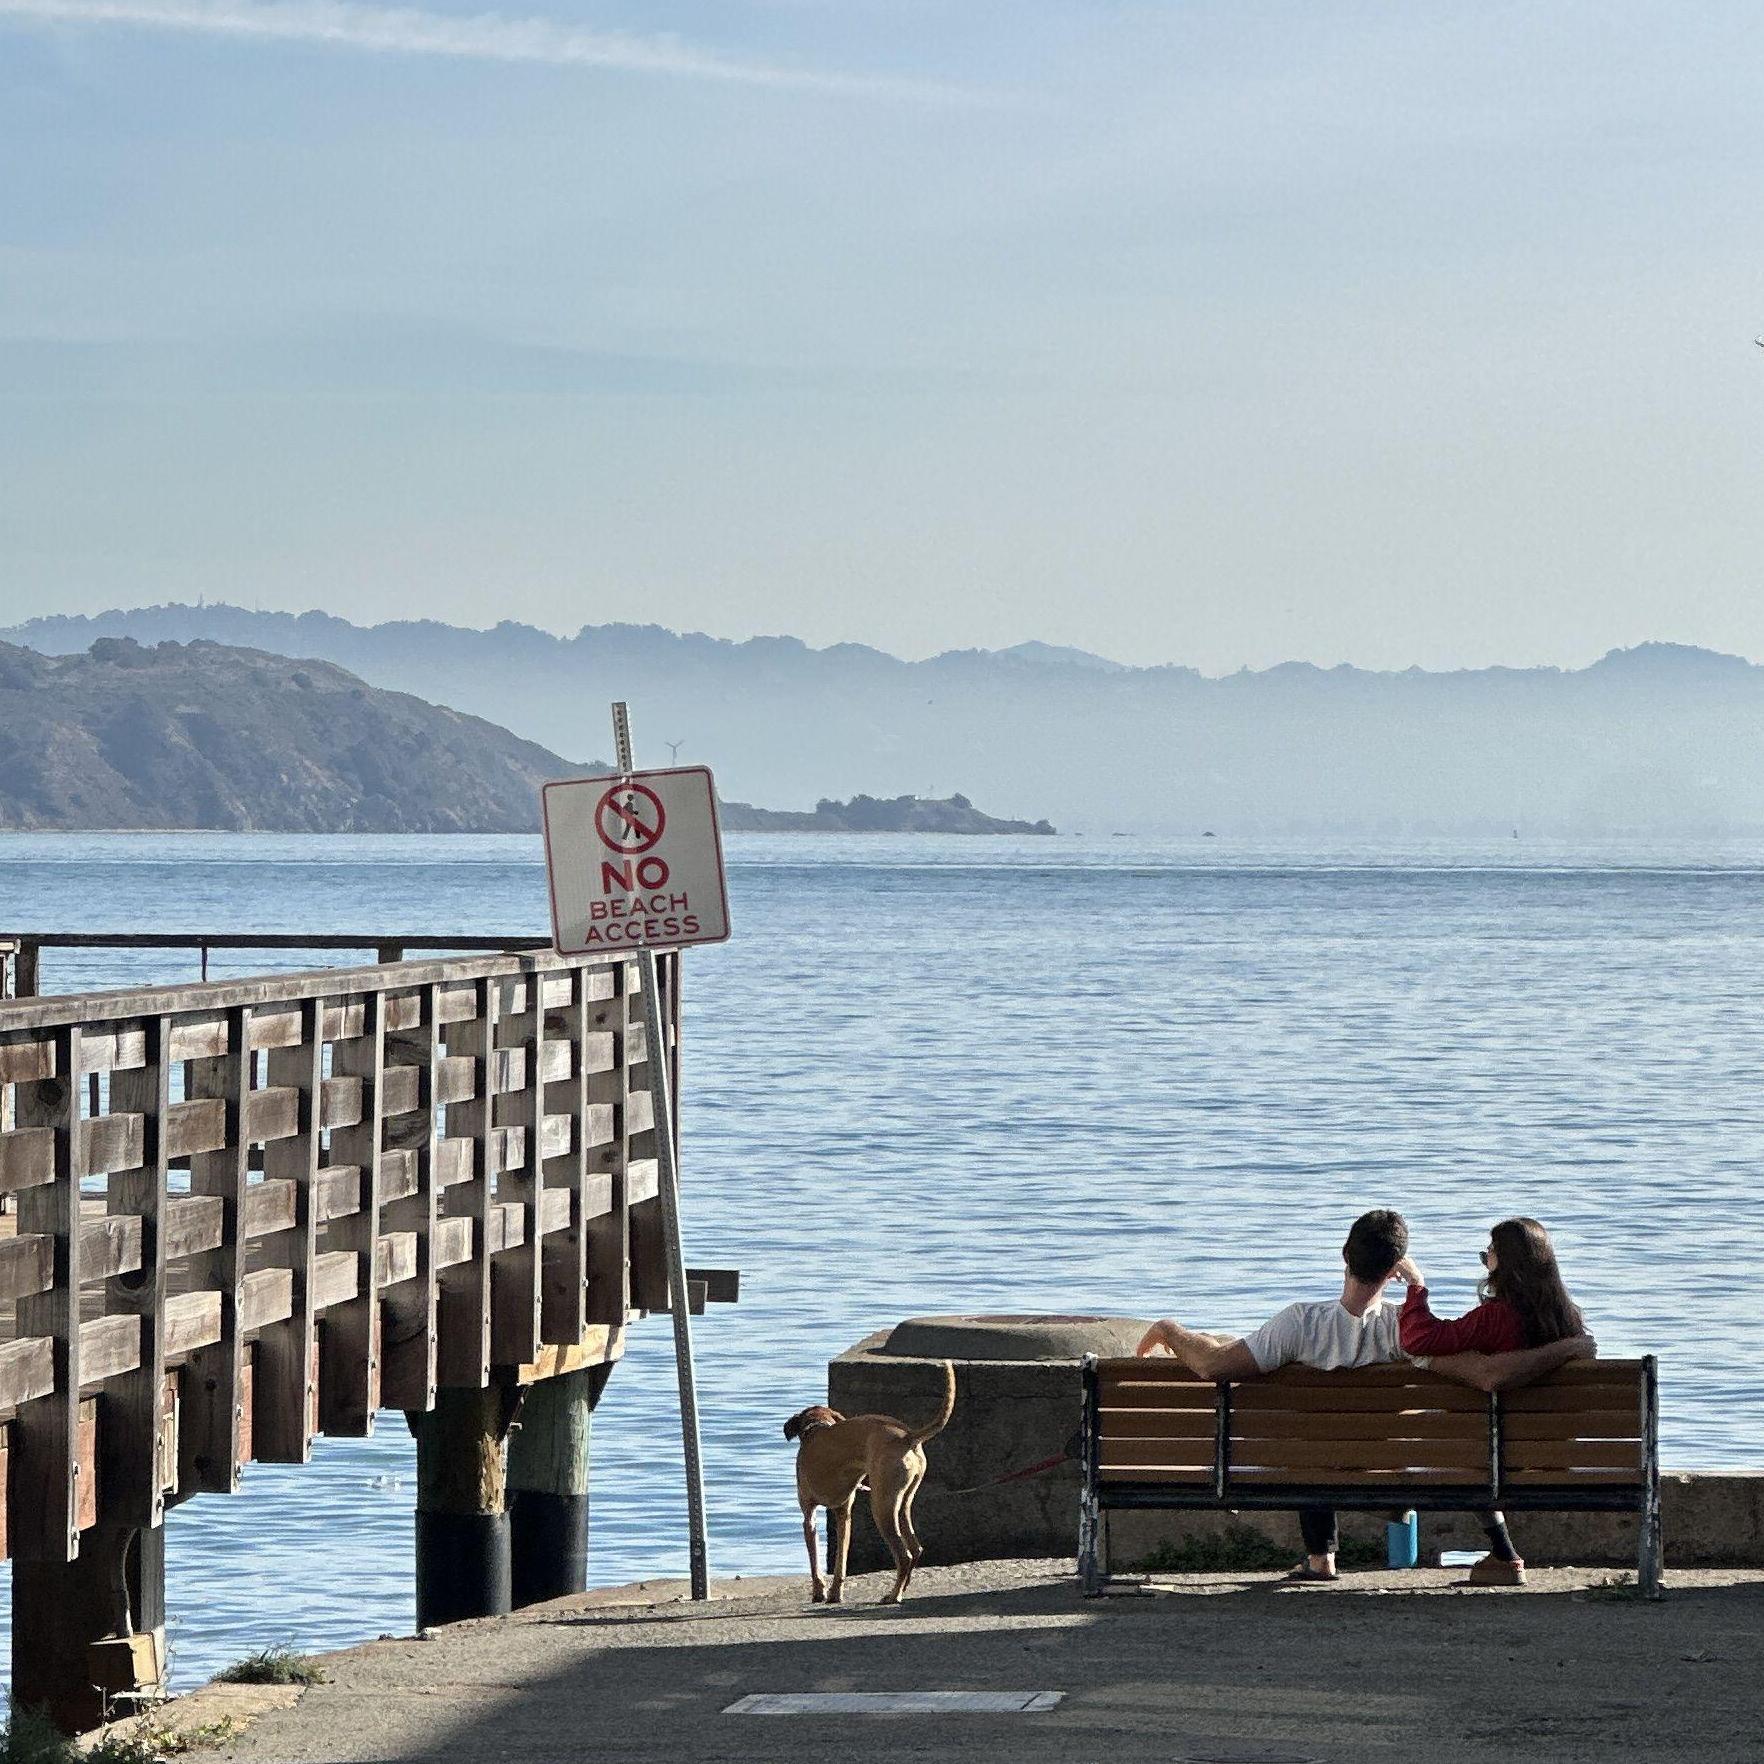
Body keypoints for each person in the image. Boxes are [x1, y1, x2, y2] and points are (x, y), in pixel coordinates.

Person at [1136, 1209, 1595, 1581]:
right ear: (1394, 1271)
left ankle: (1321, 1557)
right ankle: (1502, 1550)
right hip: (1393, 1470)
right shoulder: (1404, 1331)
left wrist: (1170, 1330)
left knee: (1313, 1441)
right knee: (1466, 1443)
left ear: (1345, 1256)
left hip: (1309, 1470)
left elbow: (1214, 1366)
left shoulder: (1298, 1324)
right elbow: (1482, 1372)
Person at [1397, 1217, 1588, 1586]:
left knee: (1471, 1447)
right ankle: (1503, 1554)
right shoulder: (1569, 1322)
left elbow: (1417, 1339)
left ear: (1504, 1264)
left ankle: (1503, 1551)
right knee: (1482, 1444)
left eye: (1488, 1254)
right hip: (1555, 1456)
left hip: (1491, 1461)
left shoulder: (1494, 1318)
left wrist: (1416, 1286)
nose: (1485, 1261)